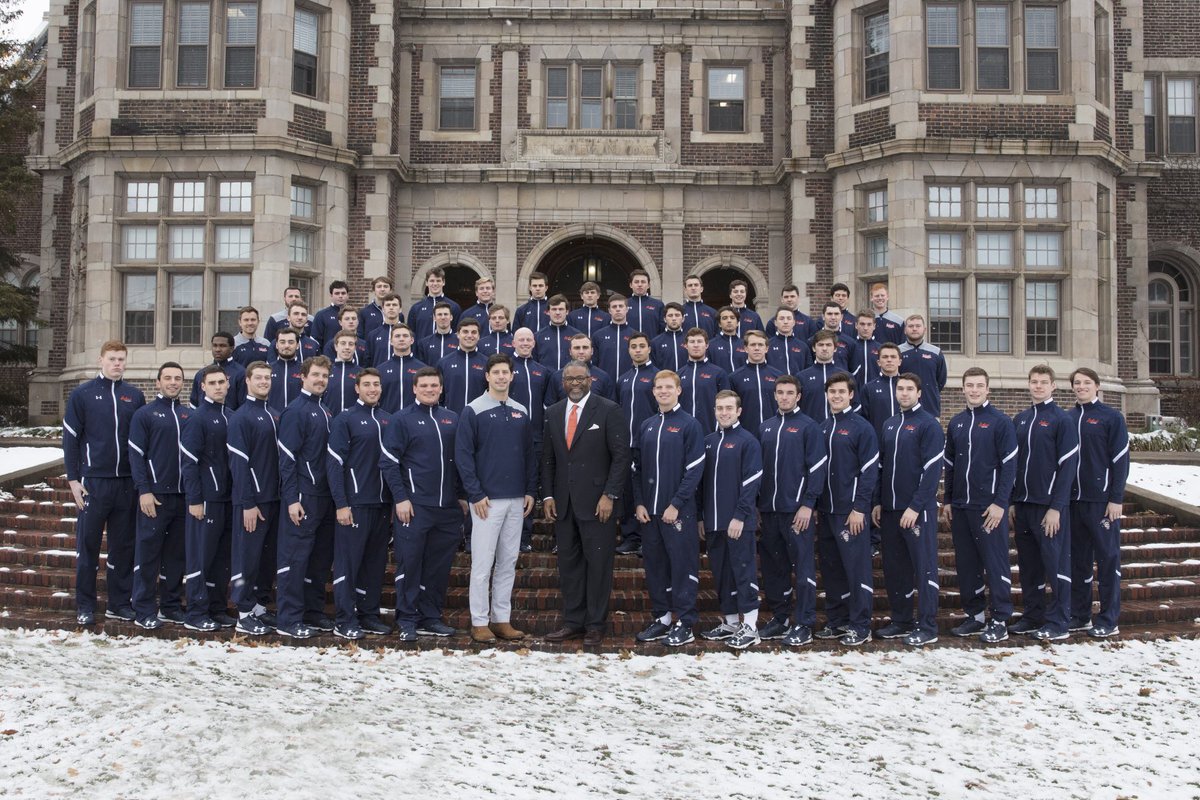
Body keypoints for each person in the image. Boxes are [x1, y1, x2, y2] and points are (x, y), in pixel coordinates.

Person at [542, 360, 631, 645]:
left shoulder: (608, 410)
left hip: (598, 505)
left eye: (581, 378)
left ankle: (595, 624)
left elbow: (621, 458)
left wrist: (610, 495)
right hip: (564, 505)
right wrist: (548, 495)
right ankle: (573, 622)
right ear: (563, 382)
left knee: (598, 565)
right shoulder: (554, 413)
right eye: (570, 379)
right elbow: (549, 459)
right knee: (569, 565)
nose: (575, 383)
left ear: (590, 380)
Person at [64, 340, 147, 626]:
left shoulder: (134, 396)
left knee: (123, 547)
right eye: (112, 359)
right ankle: (85, 605)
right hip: (94, 484)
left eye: (121, 359)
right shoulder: (82, 394)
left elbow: (140, 443)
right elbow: (71, 439)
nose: (117, 364)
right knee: (87, 547)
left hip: (126, 483)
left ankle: (119, 603)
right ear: (101, 360)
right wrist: (74, 480)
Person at [455, 354, 537, 644]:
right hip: (486, 502)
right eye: (496, 372)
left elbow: (529, 454)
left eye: (506, 372)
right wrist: (475, 493)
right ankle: (479, 621)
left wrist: (530, 490)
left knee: (507, 562)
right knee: (482, 563)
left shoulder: (520, 410)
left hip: (516, 499)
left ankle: (501, 619)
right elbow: (463, 455)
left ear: (512, 376)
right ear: (487, 376)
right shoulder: (473, 410)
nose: (502, 377)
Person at [381, 367, 464, 640]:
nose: (430, 390)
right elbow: (389, 462)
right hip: (415, 507)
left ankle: (431, 616)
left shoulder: (452, 419)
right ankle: (407, 619)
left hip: (448, 509)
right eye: (424, 385)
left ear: (441, 389)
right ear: (414, 389)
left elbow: (463, 460)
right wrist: (401, 499)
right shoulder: (401, 419)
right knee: (410, 563)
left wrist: (462, 496)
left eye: (434, 386)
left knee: (438, 567)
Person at [941, 367, 1018, 643]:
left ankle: (1000, 618)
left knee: (995, 563)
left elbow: (1009, 467)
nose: (973, 390)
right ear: (962, 389)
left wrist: (1000, 503)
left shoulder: (1000, 422)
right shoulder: (957, 423)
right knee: (967, 563)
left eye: (979, 386)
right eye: (969, 385)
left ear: (988, 389)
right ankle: (975, 616)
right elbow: (949, 466)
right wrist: (948, 500)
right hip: (961, 506)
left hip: (988, 509)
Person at [631, 370, 706, 647]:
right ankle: (662, 618)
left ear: (678, 390)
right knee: (656, 567)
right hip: (649, 513)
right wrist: (639, 502)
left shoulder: (689, 425)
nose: (663, 391)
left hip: (678, 513)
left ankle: (685, 622)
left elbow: (695, 469)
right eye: (658, 387)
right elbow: (636, 468)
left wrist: (676, 503)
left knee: (683, 566)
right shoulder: (647, 425)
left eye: (668, 387)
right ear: (653, 392)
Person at [871, 373, 945, 647]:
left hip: (916, 511)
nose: (903, 393)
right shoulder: (890, 425)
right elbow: (882, 467)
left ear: (919, 393)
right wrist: (879, 502)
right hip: (890, 510)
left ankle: (927, 625)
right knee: (895, 568)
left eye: (909, 389)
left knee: (924, 568)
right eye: (900, 389)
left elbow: (932, 470)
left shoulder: (928, 425)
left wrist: (916, 506)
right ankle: (901, 620)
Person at [756, 375, 827, 646]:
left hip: (797, 511)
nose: (784, 397)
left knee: (803, 568)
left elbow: (817, 468)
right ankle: (780, 618)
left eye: (789, 393)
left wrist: (808, 503)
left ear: (798, 396)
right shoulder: (766, 428)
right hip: (769, 511)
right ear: (775, 396)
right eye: (780, 392)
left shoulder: (808, 427)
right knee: (775, 568)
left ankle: (805, 622)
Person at [1011, 365, 1079, 642]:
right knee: (1029, 565)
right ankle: (1032, 615)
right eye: (1034, 382)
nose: (1038, 386)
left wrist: (1056, 507)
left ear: (1053, 386)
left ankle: (1059, 619)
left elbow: (1068, 467)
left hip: (1048, 506)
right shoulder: (1021, 419)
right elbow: (1013, 464)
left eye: (1044, 382)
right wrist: (1012, 500)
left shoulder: (1062, 420)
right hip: (1023, 505)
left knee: (1055, 565)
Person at [326, 368, 393, 640]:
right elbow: (334, 463)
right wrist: (341, 503)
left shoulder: (389, 420)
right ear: (357, 388)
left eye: (376, 384)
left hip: (381, 505)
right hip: (354, 504)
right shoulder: (346, 419)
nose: (373, 389)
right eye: (367, 384)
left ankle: (368, 614)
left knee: (374, 564)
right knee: (348, 564)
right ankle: (344, 618)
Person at [813, 372, 878, 646]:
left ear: (851, 394)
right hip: (827, 511)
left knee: (856, 570)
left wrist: (860, 508)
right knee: (832, 571)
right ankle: (837, 621)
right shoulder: (824, 427)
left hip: (850, 513)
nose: (836, 396)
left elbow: (869, 471)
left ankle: (860, 625)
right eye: (832, 392)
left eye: (841, 392)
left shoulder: (861, 427)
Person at [698, 390, 764, 650]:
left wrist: (739, 515)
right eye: (719, 408)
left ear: (739, 411)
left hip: (738, 522)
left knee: (743, 572)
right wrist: (702, 518)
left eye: (729, 408)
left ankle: (750, 625)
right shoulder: (708, 441)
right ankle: (730, 622)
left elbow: (751, 482)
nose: (724, 412)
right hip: (713, 522)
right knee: (722, 574)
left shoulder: (748, 441)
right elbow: (702, 485)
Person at [275, 356, 336, 638]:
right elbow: (287, 458)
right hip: (302, 496)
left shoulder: (323, 410)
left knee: (318, 560)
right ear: (303, 376)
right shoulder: (296, 411)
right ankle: (289, 618)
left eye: (324, 376)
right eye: (316, 375)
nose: (320, 380)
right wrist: (292, 499)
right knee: (295, 558)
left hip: (323, 495)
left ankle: (313, 611)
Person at [128, 362, 191, 630]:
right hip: (155, 496)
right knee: (148, 553)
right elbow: (136, 455)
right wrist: (144, 490)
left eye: (178, 378)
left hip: (183, 497)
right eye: (168, 378)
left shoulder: (190, 415)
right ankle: (143, 607)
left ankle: (171, 606)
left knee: (176, 556)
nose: (173, 382)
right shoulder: (145, 414)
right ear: (158, 382)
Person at [1068, 367, 1129, 638]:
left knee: (1107, 560)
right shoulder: (1067, 418)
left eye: (1086, 382)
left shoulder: (1111, 418)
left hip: (1101, 502)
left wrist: (1116, 498)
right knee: (1078, 562)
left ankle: (1108, 618)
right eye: (1077, 383)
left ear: (1097, 386)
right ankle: (1080, 615)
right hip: (1073, 502)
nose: (1081, 386)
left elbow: (1120, 461)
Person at [226, 361, 281, 635]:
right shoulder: (241, 417)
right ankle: (244, 611)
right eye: (258, 377)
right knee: (246, 558)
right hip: (252, 503)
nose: (263, 381)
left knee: (265, 559)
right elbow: (239, 464)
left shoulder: (273, 414)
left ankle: (259, 606)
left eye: (267, 378)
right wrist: (248, 502)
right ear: (247, 381)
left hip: (274, 500)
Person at [180, 365, 236, 632]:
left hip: (228, 499)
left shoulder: (232, 416)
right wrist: (194, 499)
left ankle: (216, 607)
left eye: (221, 382)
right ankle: (196, 611)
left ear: (228, 384)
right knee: (200, 558)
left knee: (222, 559)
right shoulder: (197, 418)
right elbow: (189, 462)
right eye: (212, 383)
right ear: (202, 387)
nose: (217, 387)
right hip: (205, 500)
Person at [614, 332, 659, 556]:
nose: (638, 350)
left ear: (649, 349)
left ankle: (648, 537)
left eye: (642, 346)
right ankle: (631, 536)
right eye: (634, 346)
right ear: (629, 350)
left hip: (650, 443)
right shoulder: (623, 378)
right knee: (628, 492)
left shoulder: (657, 377)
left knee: (649, 490)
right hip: (626, 444)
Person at [509, 328, 551, 552]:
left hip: (535, 438)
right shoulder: (506, 369)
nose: (525, 343)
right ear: (513, 343)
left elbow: (546, 406)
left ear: (534, 343)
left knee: (529, 487)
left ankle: (524, 537)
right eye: (521, 340)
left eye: (528, 340)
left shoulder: (542, 371)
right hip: (509, 437)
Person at [678, 328, 729, 434]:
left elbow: (727, 403)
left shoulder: (718, 373)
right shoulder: (678, 375)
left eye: (700, 341)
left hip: (711, 431)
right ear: (686, 346)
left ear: (706, 345)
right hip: (683, 432)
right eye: (692, 342)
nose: (696, 345)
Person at [729, 330, 782, 429]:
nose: (757, 348)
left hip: (774, 431)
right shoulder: (734, 377)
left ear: (766, 349)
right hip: (746, 432)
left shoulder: (778, 376)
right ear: (745, 348)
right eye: (753, 345)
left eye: (760, 345)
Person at [545, 333, 615, 406]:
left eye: (585, 347)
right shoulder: (557, 377)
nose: (581, 352)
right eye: (577, 348)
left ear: (592, 351)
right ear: (570, 351)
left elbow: (610, 408)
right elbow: (549, 407)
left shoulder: (603, 377)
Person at [899, 314, 947, 417]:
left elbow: (941, 380)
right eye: (911, 326)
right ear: (905, 330)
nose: (914, 329)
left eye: (918, 326)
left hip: (930, 407)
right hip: (904, 409)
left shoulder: (936, 352)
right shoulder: (897, 352)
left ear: (924, 329)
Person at [438, 318, 488, 413]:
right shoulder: (444, 363)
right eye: (465, 332)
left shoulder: (487, 363)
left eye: (474, 332)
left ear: (478, 336)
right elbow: (439, 395)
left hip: (479, 418)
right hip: (451, 419)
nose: (469, 335)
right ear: (458, 335)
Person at [797, 330, 846, 422]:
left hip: (839, 430)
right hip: (811, 428)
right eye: (820, 345)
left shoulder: (845, 376)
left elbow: (854, 406)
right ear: (814, 348)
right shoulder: (801, 377)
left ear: (835, 348)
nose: (824, 348)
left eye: (828, 345)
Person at [191, 332, 246, 411]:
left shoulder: (241, 373)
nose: (218, 349)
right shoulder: (201, 374)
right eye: (215, 345)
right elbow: (194, 405)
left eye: (222, 346)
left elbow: (243, 406)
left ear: (232, 348)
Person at [377, 324, 427, 413]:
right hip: (388, 420)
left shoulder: (423, 369)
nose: (401, 339)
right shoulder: (380, 370)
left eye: (405, 336)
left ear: (412, 340)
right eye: (397, 336)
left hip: (415, 420)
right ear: (391, 341)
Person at [861, 342, 904, 443]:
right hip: (878, 441)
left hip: (905, 441)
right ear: (879, 362)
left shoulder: (909, 387)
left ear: (900, 361)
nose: (889, 360)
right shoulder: (869, 388)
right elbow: (864, 419)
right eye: (885, 357)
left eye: (893, 357)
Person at [408, 266, 462, 341]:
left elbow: (457, 332)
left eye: (438, 281)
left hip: (447, 351)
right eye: (432, 281)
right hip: (422, 351)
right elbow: (411, 334)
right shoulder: (416, 308)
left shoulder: (454, 307)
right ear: (427, 283)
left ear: (443, 282)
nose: (435, 284)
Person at [592, 294, 635, 379]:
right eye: (614, 307)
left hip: (629, 383)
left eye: (621, 306)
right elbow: (593, 363)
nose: (618, 309)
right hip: (605, 382)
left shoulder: (635, 335)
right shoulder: (598, 335)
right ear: (609, 310)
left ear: (626, 309)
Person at [535, 294, 581, 370]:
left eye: (561, 309)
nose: (557, 312)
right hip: (547, 380)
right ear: (548, 312)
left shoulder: (577, 335)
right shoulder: (538, 336)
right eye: (554, 309)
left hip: (571, 378)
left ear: (567, 311)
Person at [323, 331, 364, 417]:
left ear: (355, 348)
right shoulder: (325, 371)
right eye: (343, 343)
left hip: (354, 423)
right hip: (329, 422)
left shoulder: (362, 373)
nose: (347, 347)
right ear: (336, 346)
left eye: (351, 344)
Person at [766, 307, 811, 377]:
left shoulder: (803, 346)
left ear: (794, 322)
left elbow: (808, 370)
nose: (785, 322)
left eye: (789, 318)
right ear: (775, 323)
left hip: (797, 386)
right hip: (774, 386)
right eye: (781, 319)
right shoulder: (767, 345)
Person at [268, 328, 304, 409]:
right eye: (282, 342)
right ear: (277, 345)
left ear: (297, 345)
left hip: (297, 419)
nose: (286, 346)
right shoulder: (267, 370)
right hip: (273, 418)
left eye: (291, 342)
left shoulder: (305, 370)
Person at [366, 293, 406, 366]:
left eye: (394, 305)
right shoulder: (373, 335)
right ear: (383, 309)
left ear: (400, 309)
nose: (391, 308)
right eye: (388, 305)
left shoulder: (408, 334)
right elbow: (368, 360)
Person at [808, 302, 852, 367]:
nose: (833, 317)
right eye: (829, 314)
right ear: (823, 316)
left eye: (836, 314)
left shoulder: (850, 342)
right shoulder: (812, 341)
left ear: (842, 317)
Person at [846, 311, 882, 388]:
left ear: (874, 326)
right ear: (856, 325)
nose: (865, 328)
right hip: (855, 392)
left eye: (869, 324)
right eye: (862, 324)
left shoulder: (881, 348)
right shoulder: (850, 346)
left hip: (876, 392)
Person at [311, 280, 351, 348]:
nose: (340, 296)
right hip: (328, 356)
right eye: (337, 293)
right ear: (331, 295)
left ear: (348, 295)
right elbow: (315, 341)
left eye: (343, 293)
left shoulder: (354, 315)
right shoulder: (321, 315)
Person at [707, 306, 747, 373]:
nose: (729, 321)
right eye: (725, 318)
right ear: (719, 324)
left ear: (738, 323)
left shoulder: (746, 344)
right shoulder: (710, 345)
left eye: (732, 318)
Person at [627, 268, 664, 338]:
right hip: (630, 346)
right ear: (631, 285)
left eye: (643, 282)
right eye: (636, 282)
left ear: (648, 285)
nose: (640, 284)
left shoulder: (658, 305)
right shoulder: (624, 304)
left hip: (651, 346)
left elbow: (662, 329)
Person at [651, 302, 688, 371]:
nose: (674, 318)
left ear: (683, 319)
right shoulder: (655, 342)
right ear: (665, 319)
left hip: (686, 380)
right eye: (670, 315)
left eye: (677, 315)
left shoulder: (690, 340)